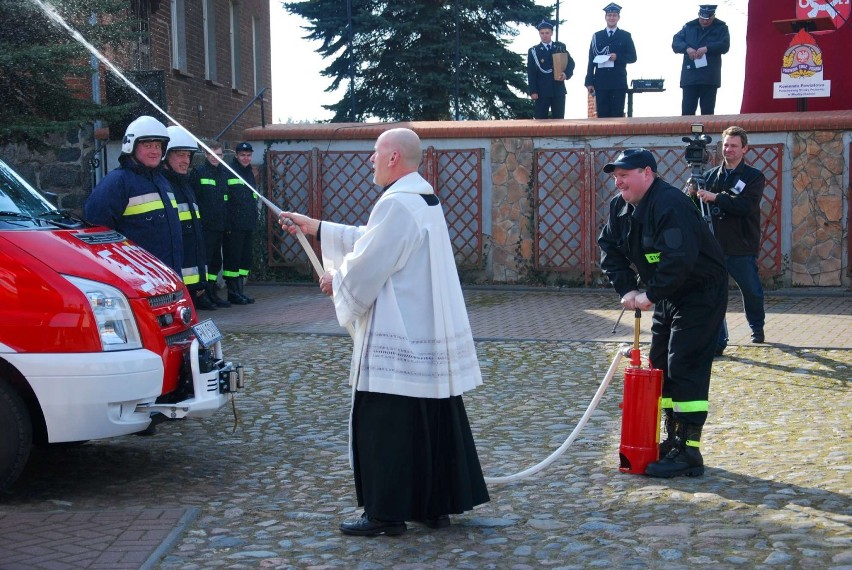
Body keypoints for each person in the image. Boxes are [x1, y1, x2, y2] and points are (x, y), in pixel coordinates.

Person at [278, 128, 489, 536]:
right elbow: (372, 241)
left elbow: (369, 263)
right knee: (427, 420)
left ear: (393, 157)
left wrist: (337, 279)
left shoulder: (397, 205)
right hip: (422, 331)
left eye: (375, 153)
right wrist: (315, 227)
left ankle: (386, 514)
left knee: (386, 426)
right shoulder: (420, 199)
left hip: (400, 336)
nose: (369, 160)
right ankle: (432, 506)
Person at [598, 148, 727, 478]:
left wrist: (650, 294)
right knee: (660, 363)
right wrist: (628, 289)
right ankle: (672, 440)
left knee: (685, 362)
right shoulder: (620, 208)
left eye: (624, 175)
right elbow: (609, 250)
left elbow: (679, 258)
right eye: (616, 177)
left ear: (647, 173)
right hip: (668, 294)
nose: (619, 182)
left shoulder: (670, 204)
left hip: (699, 292)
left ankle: (689, 451)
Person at [693, 126, 767, 354]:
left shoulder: (754, 176)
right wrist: (692, 193)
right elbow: (697, 208)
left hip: (741, 245)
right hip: (714, 246)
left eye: (734, 145)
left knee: (751, 290)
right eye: (726, 145)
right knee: (716, 295)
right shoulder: (710, 176)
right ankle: (718, 341)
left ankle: (757, 327)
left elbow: (745, 206)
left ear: (744, 149)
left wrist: (716, 198)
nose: (729, 149)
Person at [84, 115, 182, 276]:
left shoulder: (163, 182)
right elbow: (97, 235)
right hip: (136, 280)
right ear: (132, 146)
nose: (155, 151)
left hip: (168, 278)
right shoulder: (116, 183)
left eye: (158, 146)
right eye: (148, 145)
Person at [162, 126, 215, 311]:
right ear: (165, 156)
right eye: (180, 155)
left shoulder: (185, 186)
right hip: (172, 282)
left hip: (190, 282)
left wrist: (200, 279)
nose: (186, 161)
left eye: (188, 156)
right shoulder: (164, 187)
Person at [190, 140, 231, 308]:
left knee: (216, 263)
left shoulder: (224, 174)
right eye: (211, 154)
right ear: (206, 155)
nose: (215, 158)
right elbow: (194, 200)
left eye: (218, 154)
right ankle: (202, 296)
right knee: (204, 262)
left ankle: (212, 292)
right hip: (205, 227)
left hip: (219, 227)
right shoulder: (199, 173)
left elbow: (226, 201)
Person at [671, 5, 730, 116]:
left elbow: (725, 45)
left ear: (713, 16)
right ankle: (687, 133)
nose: (704, 21)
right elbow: (675, 43)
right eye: (702, 19)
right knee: (687, 112)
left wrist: (707, 48)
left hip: (709, 77)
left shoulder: (721, 27)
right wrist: (687, 48)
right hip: (690, 76)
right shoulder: (689, 27)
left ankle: (705, 133)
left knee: (707, 112)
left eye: (707, 19)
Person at [584, 3, 637, 118]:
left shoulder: (625, 36)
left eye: (614, 15)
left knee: (617, 115)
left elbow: (633, 57)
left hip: (618, 82)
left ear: (618, 18)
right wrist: (589, 81)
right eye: (609, 15)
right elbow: (591, 60)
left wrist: (618, 57)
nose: (611, 18)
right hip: (601, 82)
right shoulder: (597, 36)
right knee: (602, 116)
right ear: (605, 17)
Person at [223, 142, 258, 305]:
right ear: (236, 155)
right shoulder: (229, 171)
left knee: (245, 260)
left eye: (248, 155)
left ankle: (240, 291)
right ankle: (233, 293)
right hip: (234, 225)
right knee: (233, 260)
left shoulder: (249, 173)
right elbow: (226, 199)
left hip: (248, 224)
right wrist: (228, 223)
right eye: (243, 155)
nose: (246, 158)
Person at [527, 19, 575, 119]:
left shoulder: (559, 47)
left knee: (559, 121)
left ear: (552, 33)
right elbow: (531, 72)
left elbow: (571, 63)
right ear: (539, 34)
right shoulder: (534, 51)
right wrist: (533, 91)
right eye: (542, 33)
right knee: (540, 121)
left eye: (547, 33)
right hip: (541, 92)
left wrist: (566, 74)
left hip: (558, 90)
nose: (544, 35)